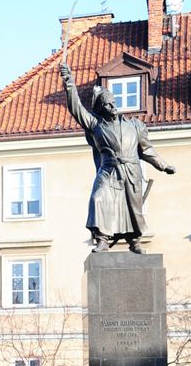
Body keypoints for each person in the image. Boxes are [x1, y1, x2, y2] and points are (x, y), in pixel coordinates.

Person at [58, 63, 176, 253]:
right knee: (98, 199)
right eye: (106, 103)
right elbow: (76, 108)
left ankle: (135, 241)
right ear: (100, 107)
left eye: (113, 101)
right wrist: (69, 82)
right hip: (108, 170)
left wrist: (163, 166)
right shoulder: (96, 124)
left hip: (131, 171)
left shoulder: (135, 125)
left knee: (133, 207)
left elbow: (147, 150)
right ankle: (102, 240)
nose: (112, 105)